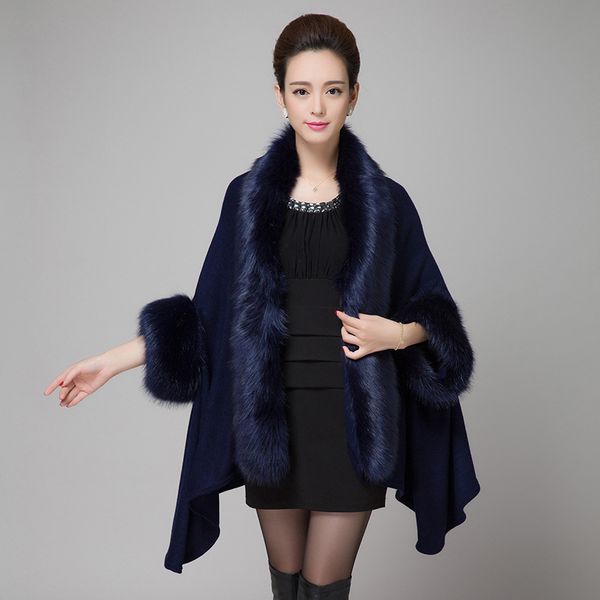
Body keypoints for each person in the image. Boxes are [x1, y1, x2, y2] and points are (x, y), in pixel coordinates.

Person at [44, 13, 480, 600]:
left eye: (332, 90)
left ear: (354, 95)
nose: (317, 107)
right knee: (286, 586)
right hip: (271, 419)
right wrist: (113, 360)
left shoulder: (387, 202)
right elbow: (207, 316)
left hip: (352, 419)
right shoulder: (246, 197)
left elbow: (436, 312)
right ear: (280, 96)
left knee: (325, 587)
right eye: (301, 91)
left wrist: (397, 335)